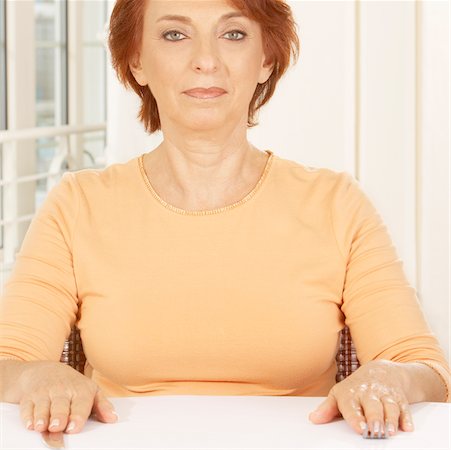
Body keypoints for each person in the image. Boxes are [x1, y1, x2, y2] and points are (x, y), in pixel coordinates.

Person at [0, 0, 449, 442]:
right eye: (175, 35)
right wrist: (35, 377)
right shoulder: (77, 204)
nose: (206, 61)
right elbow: (8, 359)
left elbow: (423, 368)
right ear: (136, 61)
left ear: (266, 60)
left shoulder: (337, 203)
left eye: (233, 34)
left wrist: (392, 378)